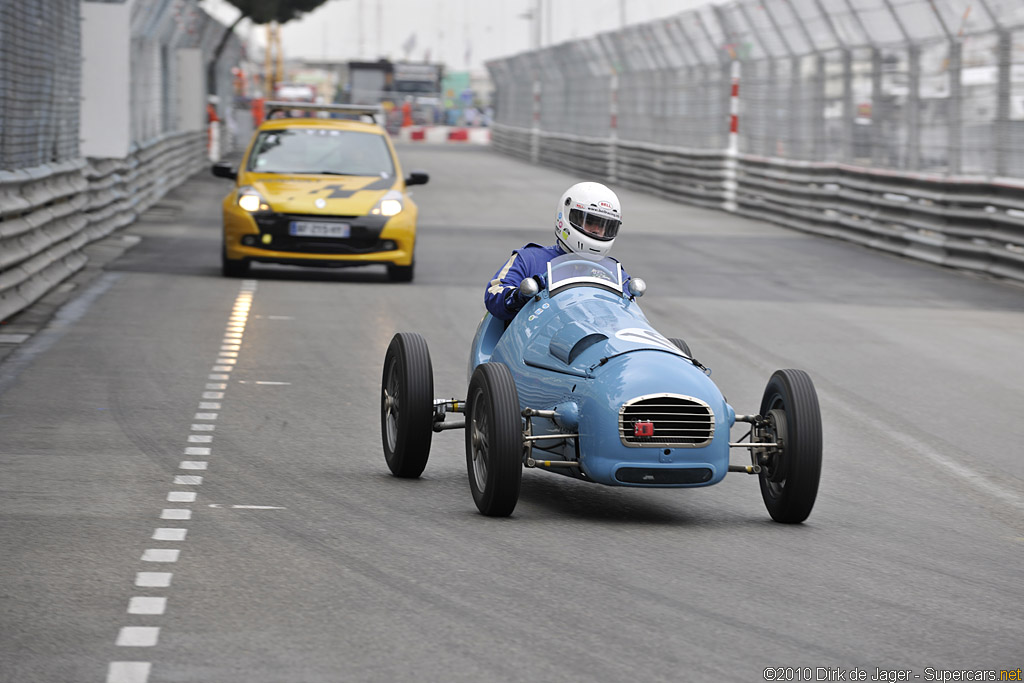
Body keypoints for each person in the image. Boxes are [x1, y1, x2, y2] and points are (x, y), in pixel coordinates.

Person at [485, 181, 628, 321]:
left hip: (588, 339)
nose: (597, 230)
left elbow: (629, 314)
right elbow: (493, 293)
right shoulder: (529, 258)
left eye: (603, 226)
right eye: (589, 222)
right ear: (565, 217)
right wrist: (519, 296)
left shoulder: (614, 274)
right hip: (534, 339)